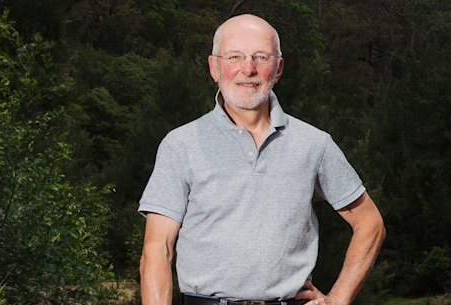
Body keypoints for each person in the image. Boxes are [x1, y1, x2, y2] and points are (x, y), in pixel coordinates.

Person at [139, 13, 385, 305]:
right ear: (213, 67)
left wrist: (339, 298)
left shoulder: (314, 144)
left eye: (261, 57)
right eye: (234, 57)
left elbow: (370, 224)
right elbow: (158, 249)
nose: (248, 69)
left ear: (278, 68)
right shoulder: (180, 145)